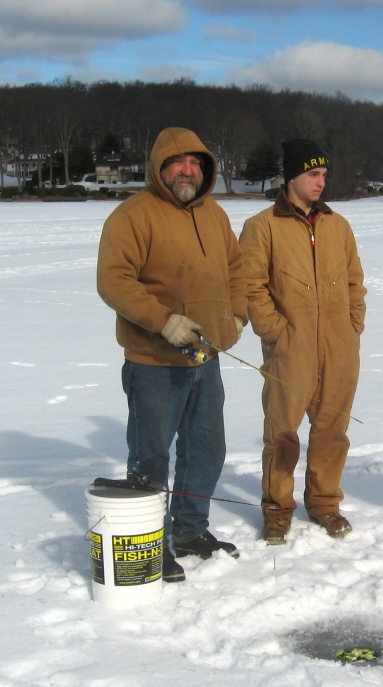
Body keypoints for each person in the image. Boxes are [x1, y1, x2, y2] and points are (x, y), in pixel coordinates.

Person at [97, 127, 248, 582]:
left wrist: (236, 317)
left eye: (197, 163)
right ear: (160, 167)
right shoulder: (133, 215)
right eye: (179, 162)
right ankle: (149, 539)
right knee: (151, 454)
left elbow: (236, 270)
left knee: (206, 448)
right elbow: (114, 280)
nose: (189, 170)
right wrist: (165, 321)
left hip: (207, 357)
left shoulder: (215, 215)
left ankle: (189, 530)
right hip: (153, 360)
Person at [239, 138, 367, 545]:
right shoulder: (262, 227)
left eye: (324, 175)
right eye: (313, 174)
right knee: (282, 432)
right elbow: (250, 286)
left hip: (339, 347)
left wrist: (352, 326)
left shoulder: (338, 225)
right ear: (291, 176)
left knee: (333, 429)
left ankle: (325, 504)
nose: (320, 182)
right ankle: (277, 509)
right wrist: (276, 331)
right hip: (289, 348)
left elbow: (354, 283)